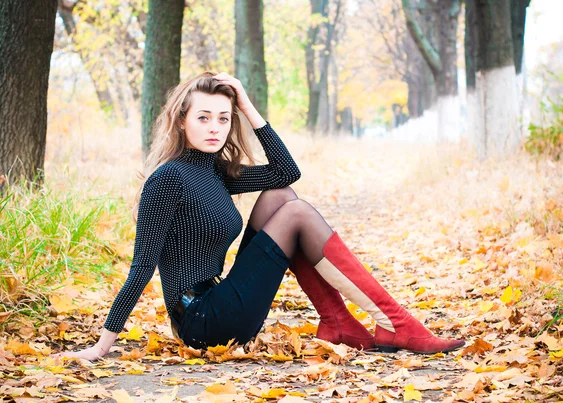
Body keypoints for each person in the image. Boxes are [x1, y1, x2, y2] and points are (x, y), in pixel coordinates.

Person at [55, 72, 464, 361]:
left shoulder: (212, 170)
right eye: (203, 117)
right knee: (297, 213)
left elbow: (286, 172)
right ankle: (397, 324)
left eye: (223, 118)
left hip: (221, 299)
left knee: (281, 196)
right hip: (201, 321)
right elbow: (141, 267)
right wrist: (101, 345)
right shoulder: (168, 180)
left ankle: (338, 322)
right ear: (182, 121)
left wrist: (248, 106)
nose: (215, 127)